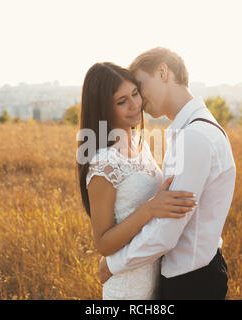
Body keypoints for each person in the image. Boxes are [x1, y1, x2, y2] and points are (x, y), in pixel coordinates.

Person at [98, 47, 237, 300]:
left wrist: (112, 264)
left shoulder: (193, 137)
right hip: (197, 273)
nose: (138, 100)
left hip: (191, 283)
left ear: (163, 71)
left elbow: (167, 232)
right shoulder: (198, 128)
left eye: (139, 86)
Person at [77, 62, 196, 299]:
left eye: (135, 94)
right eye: (122, 101)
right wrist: (149, 209)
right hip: (127, 289)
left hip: (157, 280)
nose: (135, 105)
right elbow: (103, 243)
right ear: (103, 109)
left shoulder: (138, 145)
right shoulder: (104, 162)